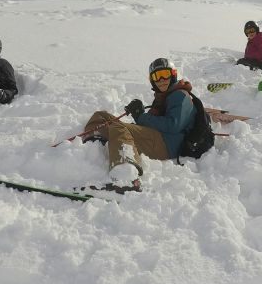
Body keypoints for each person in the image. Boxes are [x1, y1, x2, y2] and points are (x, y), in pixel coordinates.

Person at [81, 58, 196, 193]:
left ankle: (126, 178)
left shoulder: (180, 95)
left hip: (169, 145)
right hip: (159, 138)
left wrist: (141, 116)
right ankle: (93, 150)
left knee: (119, 128)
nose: (161, 80)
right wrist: (140, 116)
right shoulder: (164, 96)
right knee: (101, 116)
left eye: (165, 74)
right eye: (157, 76)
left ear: (173, 74)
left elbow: (173, 125)